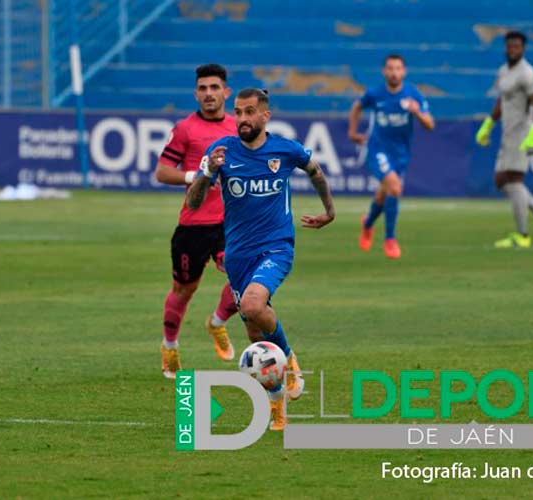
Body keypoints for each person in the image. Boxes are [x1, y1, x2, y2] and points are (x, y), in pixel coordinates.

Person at [186, 88, 336, 431]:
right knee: (256, 334)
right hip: (238, 254)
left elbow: (314, 171)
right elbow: (193, 203)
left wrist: (329, 211)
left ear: (264, 116)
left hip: (276, 246)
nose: (242, 119)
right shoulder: (221, 152)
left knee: (254, 306)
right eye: (237, 112)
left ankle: (290, 359)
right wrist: (208, 172)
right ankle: (276, 400)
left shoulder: (285, 149)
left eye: (249, 112)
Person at [155, 63, 240, 379]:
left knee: (245, 281)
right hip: (193, 226)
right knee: (183, 290)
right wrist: (196, 175)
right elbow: (162, 171)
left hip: (230, 223)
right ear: (196, 93)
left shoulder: (237, 127)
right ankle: (170, 347)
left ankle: (217, 322)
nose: (208, 94)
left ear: (226, 92)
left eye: (214, 88)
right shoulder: (186, 129)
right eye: (203, 89)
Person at [475, 31, 533, 248]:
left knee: (514, 179)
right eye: (509, 46)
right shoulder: (504, 72)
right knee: (500, 180)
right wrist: (488, 124)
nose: (512, 50)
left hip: (521, 133)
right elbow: (502, 100)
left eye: (516, 46)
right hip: (507, 132)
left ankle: (522, 235)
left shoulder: (528, 73)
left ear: (523, 49)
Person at [348, 54, 435, 259]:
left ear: (404, 72)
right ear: (384, 72)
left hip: (400, 154)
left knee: (384, 194)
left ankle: (368, 223)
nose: (394, 72)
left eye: (398, 68)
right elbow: (357, 106)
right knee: (395, 187)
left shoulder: (413, 94)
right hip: (378, 149)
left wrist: (417, 112)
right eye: (390, 68)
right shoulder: (375, 94)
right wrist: (352, 132)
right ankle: (390, 239)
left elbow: (430, 124)